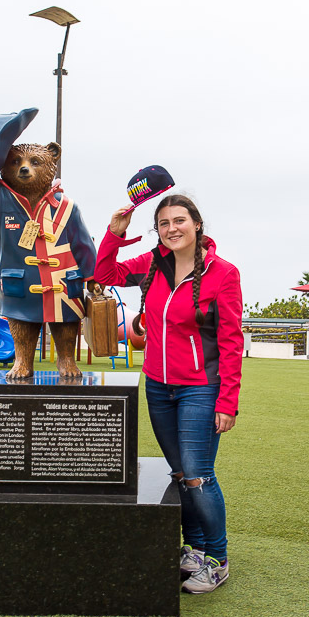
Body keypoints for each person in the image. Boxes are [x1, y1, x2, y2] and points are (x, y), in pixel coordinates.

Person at [95, 193, 243, 595]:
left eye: (180, 220)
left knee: (198, 475)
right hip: (158, 387)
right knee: (179, 474)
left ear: (197, 224)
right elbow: (104, 273)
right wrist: (114, 233)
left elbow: (231, 341)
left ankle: (218, 558)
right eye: (164, 223)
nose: (172, 228)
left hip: (200, 387)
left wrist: (227, 401)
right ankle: (194, 551)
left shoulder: (223, 273)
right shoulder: (151, 264)